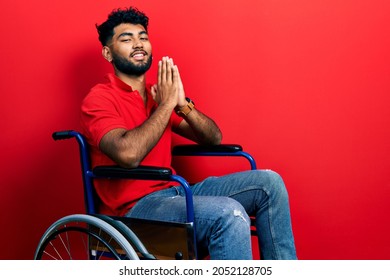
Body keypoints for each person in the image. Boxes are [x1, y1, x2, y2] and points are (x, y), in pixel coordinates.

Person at [80, 6, 297, 260]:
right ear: (107, 53)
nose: (138, 44)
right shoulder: (99, 99)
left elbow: (213, 138)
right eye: (126, 39)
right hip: (135, 209)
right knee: (229, 213)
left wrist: (183, 106)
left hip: (175, 192)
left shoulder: (159, 94)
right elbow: (128, 155)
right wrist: (166, 105)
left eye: (143, 37)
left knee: (270, 184)